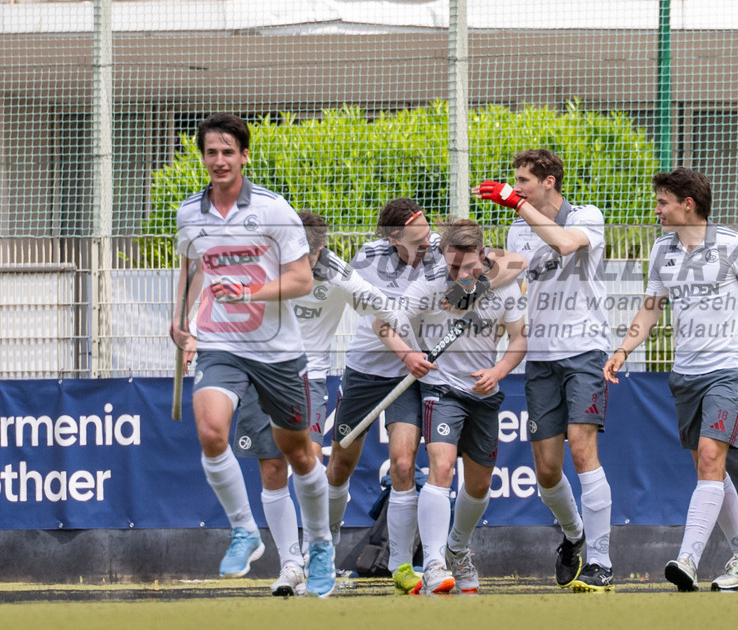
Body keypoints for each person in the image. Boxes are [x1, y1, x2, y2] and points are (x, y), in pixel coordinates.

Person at [168, 113, 336, 598]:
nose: (218, 161)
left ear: (243, 156)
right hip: (222, 344)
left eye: (227, 152)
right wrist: (182, 321)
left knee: (299, 455)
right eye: (210, 152)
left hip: (278, 353)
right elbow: (191, 268)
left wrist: (250, 290)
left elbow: (302, 280)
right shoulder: (188, 214)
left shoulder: (273, 209)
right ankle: (244, 530)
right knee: (209, 430)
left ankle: (319, 543)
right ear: (202, 158)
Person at [602, 167, 738, 592]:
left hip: (728, 369)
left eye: (663, 202)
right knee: (710, 470)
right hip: (684, 374)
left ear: (688, 204)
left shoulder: (733, 244)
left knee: (709, 459)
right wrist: (622, 349)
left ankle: (688, 559)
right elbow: (651, 308)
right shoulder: (662, 250)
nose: (657, 209)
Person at [327, 197, 524, 594]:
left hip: (413, 377)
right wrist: (407, 352)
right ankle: (322, 548)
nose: (429, 230)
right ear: (396, 236)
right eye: (419, 227)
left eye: (428, 223)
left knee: (403, 466)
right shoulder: (371, 256)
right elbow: (382, 318)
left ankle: (403, 566)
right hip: (370, 369)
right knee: (341, 463)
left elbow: (515, 262)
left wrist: (473, 286)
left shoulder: (440, 246)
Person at [229, 210, 407, 596]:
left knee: (307, 460)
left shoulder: (339, 275)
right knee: (273, 471)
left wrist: (409, 342)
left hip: (307, 378)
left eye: (304, 256)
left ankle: (316, 550)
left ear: (320, 250)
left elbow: (385, 307)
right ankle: (290, 565)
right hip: (261, 376)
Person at [473, 148, 615, 592]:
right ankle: (574, 537)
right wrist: (466, 288)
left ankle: (602, 560)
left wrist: (517, 204)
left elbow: (565, 244)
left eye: (524, 181)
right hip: (541, 356)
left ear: (548, 181)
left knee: (581, 447)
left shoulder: (587, 216)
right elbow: (511, 275)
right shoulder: (518, 229)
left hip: (586, 350)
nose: (516, 187)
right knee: (547, 470)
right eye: (515, 182)